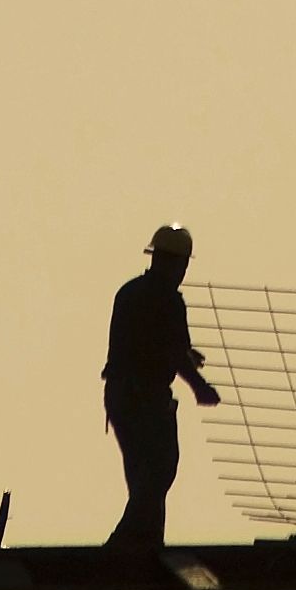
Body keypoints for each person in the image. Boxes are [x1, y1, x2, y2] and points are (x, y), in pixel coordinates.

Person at [102, 223, 220, 549]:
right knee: (159, 469)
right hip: (146, 397)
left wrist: (183, 355)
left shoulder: (129, 292)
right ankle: (125, 541)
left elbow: (152, 343)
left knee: (143, 473)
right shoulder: (168, 300)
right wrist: (199, 386)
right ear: (177, 263)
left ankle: (147, 541)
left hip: (120, 395)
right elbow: (171, 351)